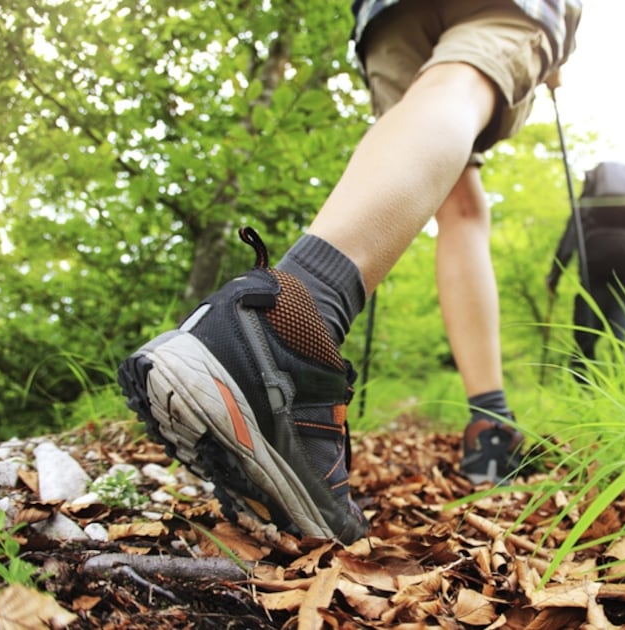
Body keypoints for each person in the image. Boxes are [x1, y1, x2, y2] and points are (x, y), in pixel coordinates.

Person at [118, 0, 581, 544]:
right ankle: (287, 323)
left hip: (384, 16)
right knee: (460, 83)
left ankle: (490, 427)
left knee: (460, 201)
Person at [545, 161, 625, 380]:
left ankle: (583, 396)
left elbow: (569, 240)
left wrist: (554, 277)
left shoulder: (587, 208)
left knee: (585, 342)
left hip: (593, 277)